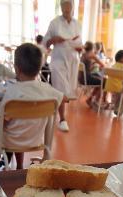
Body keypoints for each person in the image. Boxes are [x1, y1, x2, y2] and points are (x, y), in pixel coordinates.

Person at [0, 43, 63, 169]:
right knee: (25, 122)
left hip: (9, 142)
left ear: (17, 68)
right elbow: (63, 98)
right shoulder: (47, 89)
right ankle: (19, 165)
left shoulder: (12, 91)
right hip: (37, 141)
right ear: (39, 67)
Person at [43, 0, 84, 132]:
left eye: (69, 6)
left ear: (72, 7)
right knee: (60, 90)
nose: (66, 8)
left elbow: (80, 43)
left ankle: (55, 114)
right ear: (60, 7)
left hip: (73, 61)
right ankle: (62, 119)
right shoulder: (54, 23)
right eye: (64, 6)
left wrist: (79, 48)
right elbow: (45, 43)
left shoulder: (77, 24)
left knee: (67, 93)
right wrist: (54, 40)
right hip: (58, 60)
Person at [104, 49, 123, 114]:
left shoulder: (113, 66)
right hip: (118, 88)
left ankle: (116, 107)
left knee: (122, 93)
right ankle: (119, 109)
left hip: (109, 86)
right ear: (122, 59)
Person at [79, 41, 104, 107]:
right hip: (86, 78)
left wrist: (93, 64)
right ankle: (93, 100)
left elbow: (87, 68)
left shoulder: (83, 55)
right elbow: (102, 64)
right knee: (103, 82)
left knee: (100, 78)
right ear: (93, 48)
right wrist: (96, 64)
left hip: (80, 78)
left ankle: (93, 99)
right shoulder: (92, 55)